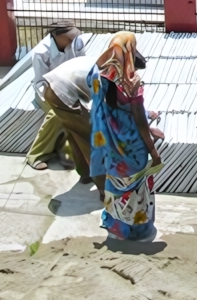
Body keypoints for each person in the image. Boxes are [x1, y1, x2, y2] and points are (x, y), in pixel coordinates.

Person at [88, 32, 165, 241]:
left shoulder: (99, 78)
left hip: (111, 147)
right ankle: (137, 231)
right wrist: (153, 151)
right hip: (134, 149)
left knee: (115, 184)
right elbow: (139, 121)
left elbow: (119, 110)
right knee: (137, 189)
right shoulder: (133, 83)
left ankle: (116, 227)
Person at [25, 21, 87, 171]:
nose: (73, 40)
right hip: (48, 89)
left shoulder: (77, 43)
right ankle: (35, 155)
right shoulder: (41, 52)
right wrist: (59, 98)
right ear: (57, 36)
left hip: (72, 88)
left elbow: (82, 67)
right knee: (57, 114)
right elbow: (41, 82)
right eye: (69, 37)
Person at [37, 52, 98, 184]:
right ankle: (102, 186)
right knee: (88, 138)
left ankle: (85, 174)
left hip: (53, 89)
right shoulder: (108, 71)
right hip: (61, 92)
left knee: (74, 134)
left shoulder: (102, 61)